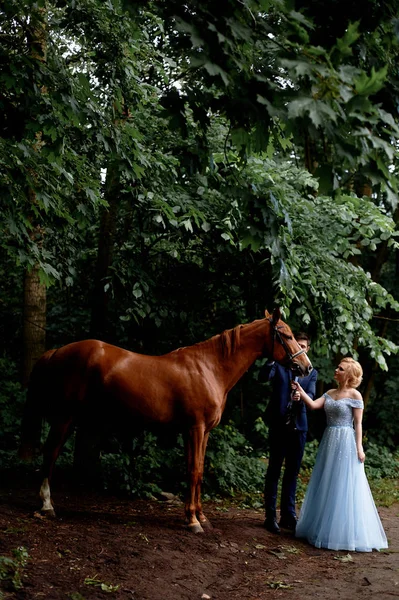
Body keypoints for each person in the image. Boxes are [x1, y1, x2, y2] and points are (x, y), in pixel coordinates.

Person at [292, 357, 388, 552]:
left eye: (340, 368)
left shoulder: (355, 395)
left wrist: (359, 447)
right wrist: (300, 392)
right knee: (327, 480)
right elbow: (312, 405)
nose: (336, 370)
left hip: (346, 440)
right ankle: (322, 527)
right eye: (337, 367)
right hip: (329, 440)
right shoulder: (329, 393)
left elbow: (358, 423)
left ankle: (344, 532)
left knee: (344, 482)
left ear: (349, 374)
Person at [262, 333, 318, 534]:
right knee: (274, 471)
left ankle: (288, 515)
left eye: (303, 345)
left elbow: (311, 395)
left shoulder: (311, 372)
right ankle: (270, 516)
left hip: (299, 427)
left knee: (292, 473)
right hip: (278, 426)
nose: (300, 348)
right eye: (298, 345)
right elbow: (263, 377)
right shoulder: (279, 365)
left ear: (307, 349)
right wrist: (271, 358)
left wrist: (300, 395)